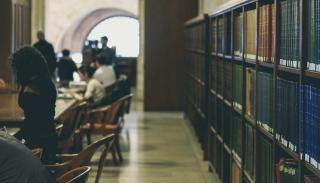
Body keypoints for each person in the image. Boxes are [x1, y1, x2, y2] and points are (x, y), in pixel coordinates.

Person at [10, 46, 58, 164]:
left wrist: (11, 139)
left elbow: (32, 125)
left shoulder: (31, 89)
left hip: (37, 147)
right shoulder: (47, 82)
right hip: (49, 141)